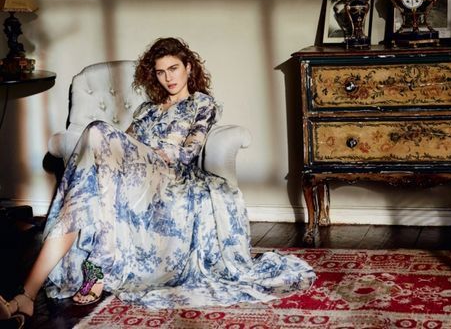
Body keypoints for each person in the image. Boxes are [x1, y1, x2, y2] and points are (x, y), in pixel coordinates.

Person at [0, 38, 315, 322]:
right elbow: (119, 148)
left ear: (188, 68)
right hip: (133, 177)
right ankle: (26, 296)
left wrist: (150, 154)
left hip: (167, 175)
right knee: (83, 195)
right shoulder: (146, 110)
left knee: (96, 130)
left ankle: (96, 266)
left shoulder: (201, 104)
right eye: (162, 71)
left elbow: (188, 152)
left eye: (174, 68)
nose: (170, 77)